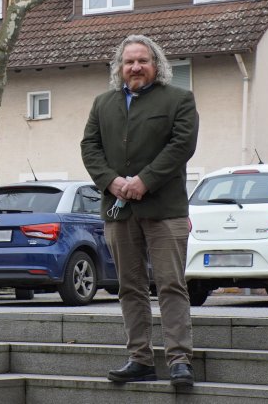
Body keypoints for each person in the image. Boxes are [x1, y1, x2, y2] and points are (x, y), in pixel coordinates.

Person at [80, 35, 199, 387]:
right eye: (129, 61)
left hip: (165, 209)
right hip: (119, 212)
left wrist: (144, 181)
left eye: (142, 61)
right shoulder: (103, 103)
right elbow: (90, 147)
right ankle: (140, 358)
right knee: (130, 287)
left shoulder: (179, 99)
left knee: (171, 285)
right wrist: (111, 182)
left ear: (156, 65)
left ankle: (179, 360)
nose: (135, 67)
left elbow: (182, 146)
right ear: (120, 67)